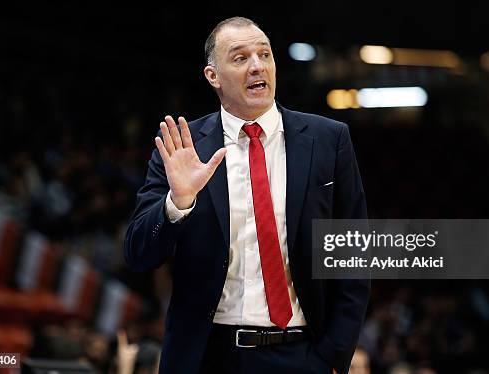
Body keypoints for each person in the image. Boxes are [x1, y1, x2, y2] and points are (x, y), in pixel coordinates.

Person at [124, 16, 369, 374]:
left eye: (265, 55)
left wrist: (334, 356)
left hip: (301, 354)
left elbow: (355, 255)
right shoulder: (183, 146)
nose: (257, 66)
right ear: (213, 76)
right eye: (240, 58)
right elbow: (138, 254)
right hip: (206, 356)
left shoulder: (329, 140)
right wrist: (178, 204)